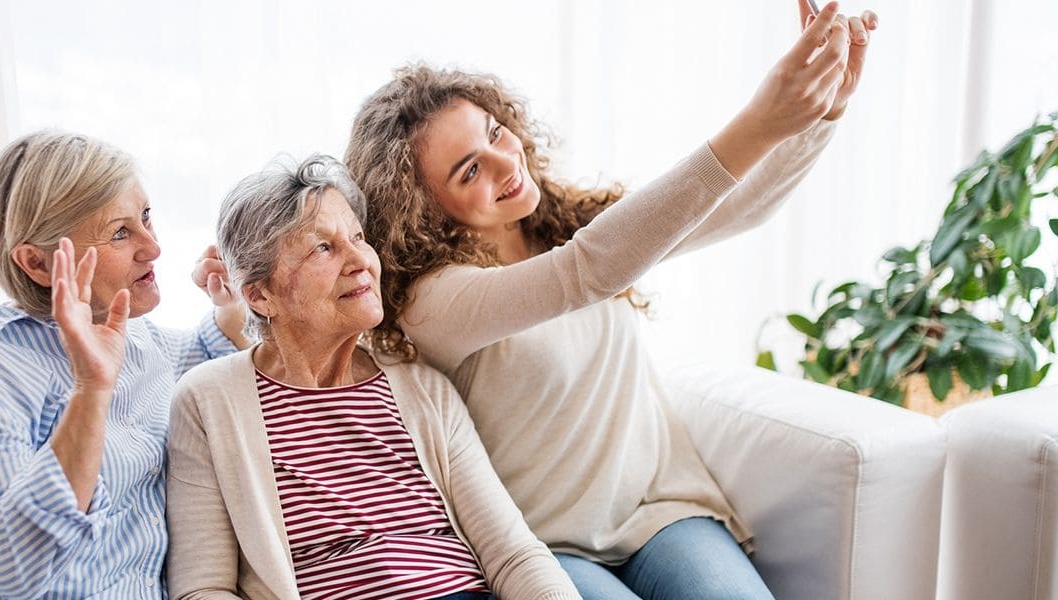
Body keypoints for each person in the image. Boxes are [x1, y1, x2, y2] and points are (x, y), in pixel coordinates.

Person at [342, 2, 879, 598]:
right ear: (424, 209)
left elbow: (739, 206)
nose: (505, 162)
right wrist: (760, 119)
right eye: (470, 171)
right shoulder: (436, 299)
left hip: (663, 514)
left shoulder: (570, 222)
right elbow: (585, 272)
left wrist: (824, 110)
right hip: (539, 546)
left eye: (495, 134)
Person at [165, 154, 579, 600]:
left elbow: (514, 555)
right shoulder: (208, 401)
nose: (360, 260)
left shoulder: (423, 388)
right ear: (261, 295)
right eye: (323, 247)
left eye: (358, 237)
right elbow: (202, 589)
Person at [0, 131, 248, 598]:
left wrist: (231, 315)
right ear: (38, 264)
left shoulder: (135, 334)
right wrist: (91, 389)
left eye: (146, 217)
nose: (153, 248)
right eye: (120, 232)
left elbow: (197, 366)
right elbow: (14, 567)